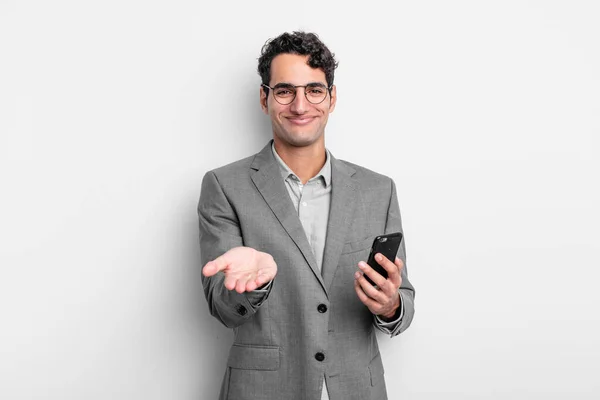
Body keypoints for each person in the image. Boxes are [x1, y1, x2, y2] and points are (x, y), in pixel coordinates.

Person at [198, 31, 415, 400]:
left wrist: (391, 305)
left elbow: (403, 303)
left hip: (356, 388)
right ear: (265, 98)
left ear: (332, 98)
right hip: (263, 390)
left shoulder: (378, 190)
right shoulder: (223, 186)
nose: (300, 106)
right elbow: (223, 307)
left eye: (314, 90)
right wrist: (253, 285)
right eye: (285, 91)